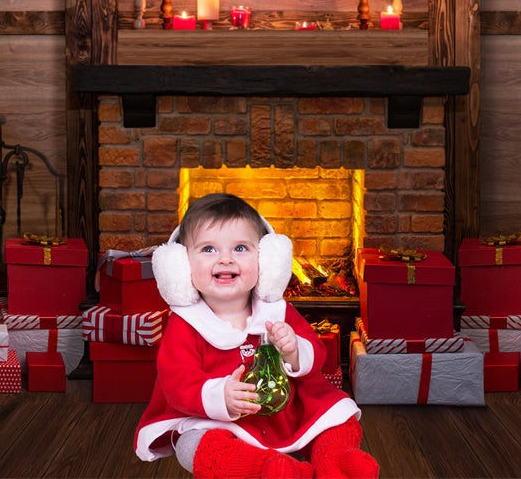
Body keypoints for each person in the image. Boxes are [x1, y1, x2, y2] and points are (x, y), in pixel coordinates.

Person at [133, 193, 379, 478]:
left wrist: (294, 350)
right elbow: (176, 383)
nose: (225, 259)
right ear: (181, 264)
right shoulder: (186, 324)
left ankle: (336, 464)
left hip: (289, 409)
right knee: (193, 446)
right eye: (208, 249)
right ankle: (272, 470)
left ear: (266, 259)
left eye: (240, 248)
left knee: (340, 421)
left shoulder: (274, 310)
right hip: (223, 421)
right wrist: (219, 396)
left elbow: (317, 355)